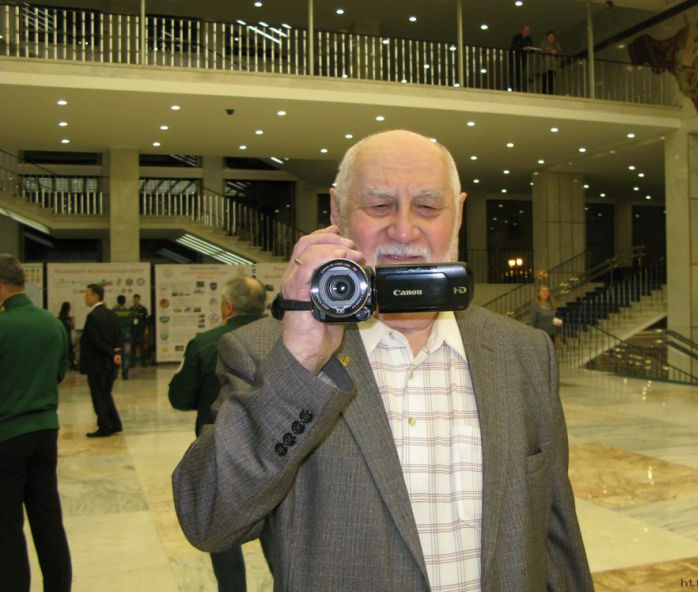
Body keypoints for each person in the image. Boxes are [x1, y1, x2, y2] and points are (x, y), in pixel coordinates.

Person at [172, 130, 592, 591]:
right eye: (378, 206)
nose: (404, 231)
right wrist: (300, 359)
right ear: (337, 213)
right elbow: (209, 520)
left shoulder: (524, 353)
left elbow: (556, 541)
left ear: (458, 214)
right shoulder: (269, 354)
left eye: (428, 207)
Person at [168, 276, 267, 592]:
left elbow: (180, 397)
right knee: (278, 529)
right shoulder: (284, 338)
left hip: (219, 451)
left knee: (222, 530)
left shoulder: (206, 343)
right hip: (274, 449)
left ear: (227, 306)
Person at [0, 254, 72, 591]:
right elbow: (59, 373)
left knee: (7, 524)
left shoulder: (3, 325)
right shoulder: (52, 323)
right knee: (47, 516)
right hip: (45, 431)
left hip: (7, 434)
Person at [80, 283, 123, 438]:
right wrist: (116, 352)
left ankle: (104, 427)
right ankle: (115, 423)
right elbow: (119, 336)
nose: (85, 298)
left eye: (87, 295)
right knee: (106, 394)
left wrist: (110, 352)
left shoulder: (93, 316)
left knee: (99, 396)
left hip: (97, 363)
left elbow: (95, 340)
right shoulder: (112, 315)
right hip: (110, 363)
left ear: (95, 296)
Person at [111, 295, 134, 379]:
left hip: (116, 335)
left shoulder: (113, 311)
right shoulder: (129, 312)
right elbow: (132, 322)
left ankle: (115, 373)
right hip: (127, 334)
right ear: (124, 302)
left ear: (117, 301)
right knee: (126, 355)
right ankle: (125, 373)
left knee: (116, 353)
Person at [510, 24, 535, 92]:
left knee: (524, 74)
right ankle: (516, 89)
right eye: (525, 30)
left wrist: (529, 49)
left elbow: (532, 49)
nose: (527, 31)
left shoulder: (529, 39)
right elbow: (513, 46)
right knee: (516, 74)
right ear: (522, 30)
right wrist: (522, 48)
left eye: (528, 30)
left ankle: (524, 89)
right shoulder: (516, 37)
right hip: (516, 60)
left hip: (524, 60)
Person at [540, 30, 563, 95]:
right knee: (545, 81)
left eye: (553, 36)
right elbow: (541, 51)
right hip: (545, 66)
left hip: (553, 66)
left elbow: (561, 52)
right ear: (547, 37)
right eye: (550, 36)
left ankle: (550, 93)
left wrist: (556, 51)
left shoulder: (556, 44)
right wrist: (549, 51)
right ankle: (545, 94)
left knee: (551, 81)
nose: (551, 38)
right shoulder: (544, 43)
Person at [130, 293, 149, 368]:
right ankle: (132, 362)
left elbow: (146, 320)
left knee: (142, 347)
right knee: (133, 347)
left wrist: (146, 330)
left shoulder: (143, 309)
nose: (135, 301)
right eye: (134, 299)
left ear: (139, 299)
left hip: (141, 330)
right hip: (133, 331)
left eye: (137, 299)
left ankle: (143, 362)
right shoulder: (131, 309)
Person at [58, 301, 77, 369]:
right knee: (70, 351)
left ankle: (66, 364)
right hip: (67, 337)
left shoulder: (60, 317)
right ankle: (72, 364)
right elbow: (71, 327)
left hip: (62, 337)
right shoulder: (67, 318)